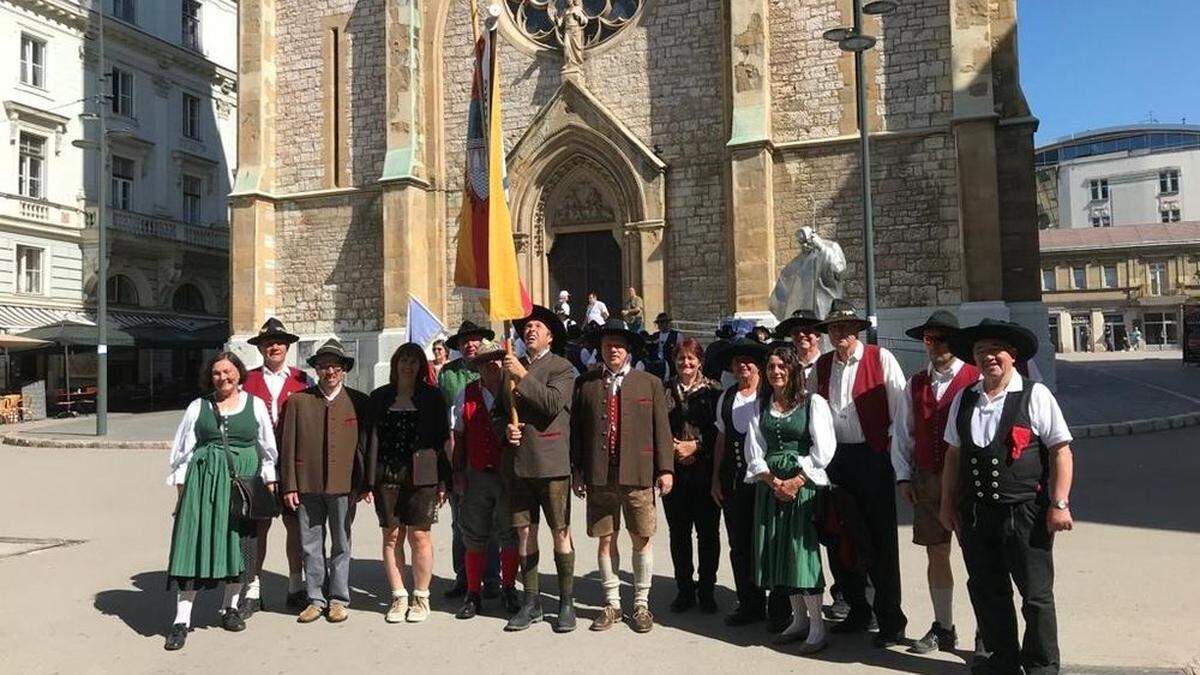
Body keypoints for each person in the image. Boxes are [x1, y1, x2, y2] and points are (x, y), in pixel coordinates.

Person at [940, 319, 1074, 675]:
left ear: (1012, 356)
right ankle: (1002, 661)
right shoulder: (964, 399)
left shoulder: (1035, 394)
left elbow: (1061, 450)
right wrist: (946, 505)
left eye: (996, 350)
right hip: (976, 515)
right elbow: (953, 455)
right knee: (987, 592)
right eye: (981, 351)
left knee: (1036, 597)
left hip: (1025, 513)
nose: (989, 357)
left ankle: (1042, 666)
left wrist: (1059, 503)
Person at [164, 352, 278, 650]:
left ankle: (229, 607)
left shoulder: (254, 405)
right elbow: (182, 452)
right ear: (210, 376)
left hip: (241, 485)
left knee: (238, 546)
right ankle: (181, 620)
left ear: (239, 373)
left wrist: (268, 481)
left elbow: (267, 448)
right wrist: (181, 493)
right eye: (216, 373)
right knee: (194, 546)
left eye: (228, 371)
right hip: (202, 485)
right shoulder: (197, 407)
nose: (223, 377)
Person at [812, 300, 909, 647]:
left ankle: (890, 619)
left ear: (857, 331)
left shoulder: (880, 359)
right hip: (837, 458)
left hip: (873, 455)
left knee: (882, 540)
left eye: (846, 328)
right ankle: (857, 610)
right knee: (842, 536)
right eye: (835, 328)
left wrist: (896, 464)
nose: (841, 334)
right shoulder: (822, 366)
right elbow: (815, 413)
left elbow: (900, 414)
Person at [571, 319, 674, 633]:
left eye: (618, 345)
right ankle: (612, 603)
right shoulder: (586, 384)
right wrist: (577, 470)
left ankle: (641, 603)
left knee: (641, 537)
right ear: (600, 350)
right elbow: (577, 432)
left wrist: (666, 468)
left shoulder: (649, 383)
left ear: (628, 349)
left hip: (638, 472)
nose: (612, 350)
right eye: (606, 346)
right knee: (606, 538)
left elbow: (662, 430)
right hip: (600, 474)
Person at [891, 311, 980, 655]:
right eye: (930, 339)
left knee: (977, 558)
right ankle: (943, 627)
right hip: (927, 478)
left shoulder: (974, 378)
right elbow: (903, 434)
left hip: (968, 481)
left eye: (942, 339)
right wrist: (902, 476)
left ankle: (987, 630)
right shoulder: (915, 383)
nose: (935, 346)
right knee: (936, 553)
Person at [744, 346, 837, 654]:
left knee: (802, 554)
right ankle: (798, 620)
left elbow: (824, 449)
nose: (776, 371)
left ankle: (817, 627)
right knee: (781, 552)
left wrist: (796, 481)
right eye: (771, 366)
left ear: (794, 370)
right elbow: (754, 450)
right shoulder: (761, 406)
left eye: (782, 365)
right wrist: (773, 482)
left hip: (803, 486)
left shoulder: (813, 403)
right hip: (771, 487)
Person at [279, 339, 370, 624]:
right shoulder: (298, 401)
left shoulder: (359, 401)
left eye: (335, 366)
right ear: (316, 369)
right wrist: (289, 484)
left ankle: (339, 599)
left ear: (344, 370)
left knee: (342, 543)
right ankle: (315, 597)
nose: (329, 371)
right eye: (323, 366)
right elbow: (288, 445)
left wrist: (365, 484)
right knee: (310, 543)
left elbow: (365, 447)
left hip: (344, 485)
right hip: (307, 483)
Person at [502, 305, 579, 633]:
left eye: (537, 326)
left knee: (560, 532)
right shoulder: (511, 368)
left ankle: (566, 601)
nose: (529, 330)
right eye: (527, 327)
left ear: (550, 334)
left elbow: (550, 405)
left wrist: (521, 375)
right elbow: (499, 412)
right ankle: (531, 601)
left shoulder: (563, 368)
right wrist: (506, 429)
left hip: (552, 463)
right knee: (524, 532)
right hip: (520, 466)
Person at [366, 343, 451, 623]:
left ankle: (421, 596)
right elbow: (369, 441)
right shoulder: (379, 398)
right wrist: (368, 481)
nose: (408, 366)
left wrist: (443, 480)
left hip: (422, 475)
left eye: (414, 361)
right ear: (395, 363)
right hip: (387, 475)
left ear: (421, 366)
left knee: (419, 536)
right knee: (392, 536)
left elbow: (441, 442)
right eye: (404, 359)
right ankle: (398, 595)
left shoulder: (433, 397)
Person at [710, 338, 791, 631]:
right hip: (734, 481)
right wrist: (715, 478)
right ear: (732, 367)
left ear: (758, 366)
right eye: (737, 362)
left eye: (748, 361)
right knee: (740, 545)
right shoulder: (727, 397)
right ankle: (750, 603)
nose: (743, 366)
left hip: (766, 482)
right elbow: (721, 439)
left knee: (771, 542)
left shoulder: (770, 396)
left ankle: (781, 607)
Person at [240, 318, 312, 614]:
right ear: (260, 348)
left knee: (295, 526)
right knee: (258, 528)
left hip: (292, 464)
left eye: (279, 342)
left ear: (287, 346)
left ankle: (296, 585)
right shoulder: (247, 380)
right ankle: (253, 588)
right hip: (257, 465)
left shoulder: (303, 380)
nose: (274, 346)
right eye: (269, 343)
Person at [450, 341, 522, 619]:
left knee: (509, 535)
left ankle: (508, 589)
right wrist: (457, 473)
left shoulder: (513, 389)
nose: (490, 365)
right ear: (477, 367)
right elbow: (459, 435)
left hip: (508, 474)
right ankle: (473, 593)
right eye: (484, 362)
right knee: (475, 536)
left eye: (495, 360)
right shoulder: (465, 394)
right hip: (477, 473)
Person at [438, 320, 500, 600]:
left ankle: (492, 578)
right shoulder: (448, 374)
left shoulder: (496, 370)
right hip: (459, 457)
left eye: (474, 340)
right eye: (465, 341)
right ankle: (463, 577)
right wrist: (450, 469)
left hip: (492, 460)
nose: (470, 344)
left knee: (494, 523)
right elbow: (446, 424)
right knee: (460, 524)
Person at [662, 338, 723, 613]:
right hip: (675, 473)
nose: (686, 363)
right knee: (679, 533)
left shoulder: (714, 391)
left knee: (707, 534)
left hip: (705, 472)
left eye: (691, 358)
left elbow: (721, 429)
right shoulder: (664, 389)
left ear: (699, 360)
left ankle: (707, 589)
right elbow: (657, 425)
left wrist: (696, 445)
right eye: (681, 359)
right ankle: (684, 589)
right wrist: (672, 447)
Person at [648, 312, 683, 381]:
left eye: (662, 322)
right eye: (659, 323)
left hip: (671, 366)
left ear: (668, 323)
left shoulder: (677, 335)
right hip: (658, 367)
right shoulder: (655, 335)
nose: (660, 325)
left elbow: (681, 352)